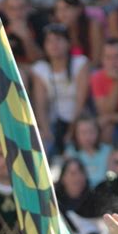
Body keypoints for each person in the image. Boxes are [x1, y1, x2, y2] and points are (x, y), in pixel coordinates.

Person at [31, 23, 90, 157]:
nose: (54, 45)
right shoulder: (39, 69)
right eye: (49, 41)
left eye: (58, 40)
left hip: (79, 120)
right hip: (53, 123)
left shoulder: (80, 63)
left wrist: (72, 131)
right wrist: (46, 132)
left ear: (68, 43)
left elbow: (81, 101)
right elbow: (40, 106)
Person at [52, 0, 105, 68]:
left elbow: (97, 60)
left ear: (79, 9)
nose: (62, 14)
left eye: (67, 8)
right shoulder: (55, 30)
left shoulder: (92, 25)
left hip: (91, 71)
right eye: (59, 9)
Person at [64, 114, 112, 188]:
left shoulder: (108, 151)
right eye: (83, 132)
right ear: (75, 134)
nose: (88, 136)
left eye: (91, 131)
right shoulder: (70, 153)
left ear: (98, 132)